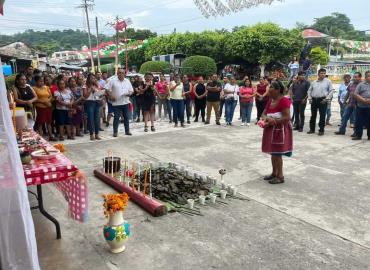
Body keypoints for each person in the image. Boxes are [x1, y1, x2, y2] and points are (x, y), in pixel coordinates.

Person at [261, 81, 293, 184]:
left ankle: (280, 176)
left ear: (277, 90)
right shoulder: (270, 100)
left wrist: (273, 121)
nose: (268, 89)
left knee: (277, 154)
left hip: (280, 131)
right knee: (273, 153)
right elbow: (263, 114)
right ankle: (274, 173)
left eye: (270, 87)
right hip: (270, 129)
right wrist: (266, 119)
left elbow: (287, 117)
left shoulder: (284, 101)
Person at [106, 68, 134, 137]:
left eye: (122, 73)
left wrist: (129, 94)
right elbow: (106, 89)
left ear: (125, 74)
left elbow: (131, 90)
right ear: (117, 73)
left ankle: (127, 131)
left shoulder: (127, 81)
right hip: (116, 103)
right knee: (116, 118)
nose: (121, 74)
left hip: (125, 102)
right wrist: (111, 96)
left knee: (126, 118)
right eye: (119, 73)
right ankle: (115, 132)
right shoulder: (112, 81)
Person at [307, 69, 335, 136]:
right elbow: (309, 91)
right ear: (318, 74)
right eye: (321, 73)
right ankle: (312, 129)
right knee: (313, 115)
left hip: (323, 100)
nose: (323, 74)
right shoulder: (314, 82)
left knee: (322, 116)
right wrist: (310, 98)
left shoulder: (328, 82)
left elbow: (331, 91)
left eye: (324, 73)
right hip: (314, 100)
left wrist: (326, 99)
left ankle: (321, 130)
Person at [335, 72, 362, 136]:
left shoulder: (362, 85)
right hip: (350, 104)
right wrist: (344, 101)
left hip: (358, 105)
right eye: (354, 77)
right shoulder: (351, 84)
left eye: (356, 77)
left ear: (360, 77)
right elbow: (348, 93)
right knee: (344, 117)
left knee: (356, 119)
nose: (354, 78)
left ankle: (356, 132)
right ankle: (341, 131)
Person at [33, 75, 56, 141]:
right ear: (36, 82)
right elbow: (35, 99)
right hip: (40, 107)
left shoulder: (46, 87)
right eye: (40, 81)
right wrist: (43, 102)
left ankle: (51, 136)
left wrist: (47, 101)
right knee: (40, 123)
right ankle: (41, 137)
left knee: (49, 122)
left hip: (48, 107)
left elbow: (51, 96)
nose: (42, 82)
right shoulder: (34, 88)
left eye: (42, 81)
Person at [83, 74, 103, 141]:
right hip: (89, 103)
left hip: (96, 102)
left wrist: (101, 94)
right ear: (88, 79)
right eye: (91, 78)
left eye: (94, 78)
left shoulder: (97, 86)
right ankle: (91, 135)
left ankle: (97, 134)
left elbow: (100, 95)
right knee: (91, 119)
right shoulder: (85, 86)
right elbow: (85, 96)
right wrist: (90, 89)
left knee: (97, 119)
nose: (93, 79)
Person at [352, 71, 370, 141]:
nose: (369, 77)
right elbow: (355, 94)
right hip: (361, 107)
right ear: (365, 77)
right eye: (368, 76)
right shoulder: (360, 84)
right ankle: (358, 135)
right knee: (359, 122)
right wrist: (363, 100)